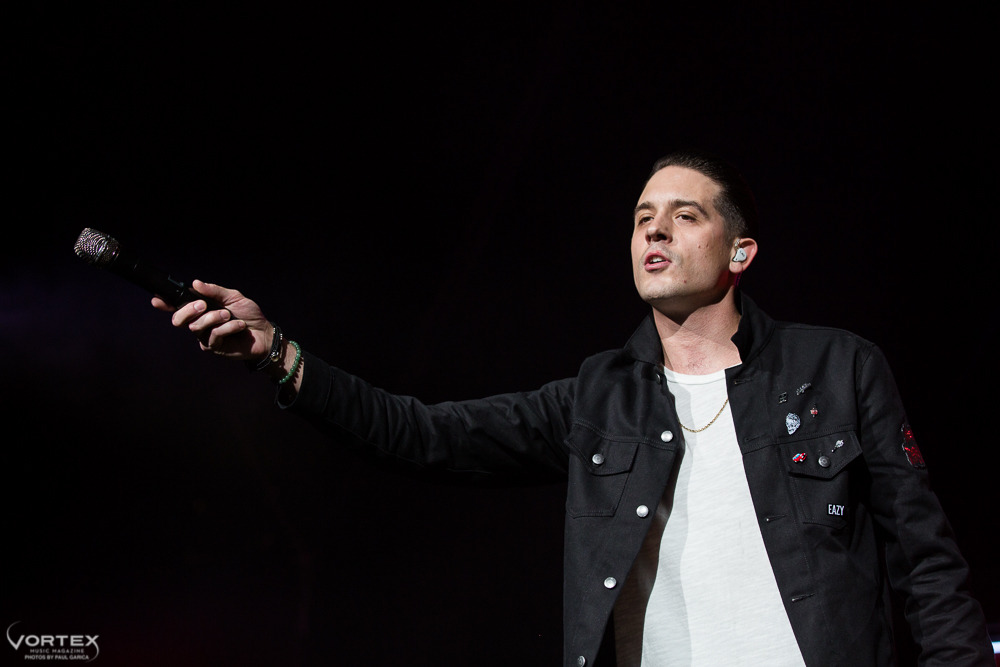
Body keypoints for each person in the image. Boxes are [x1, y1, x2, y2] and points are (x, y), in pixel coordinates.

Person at [154, 150, 993, 666]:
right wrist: (281, 354)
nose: (653, 231)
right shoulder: (600, 397)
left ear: (740, 251)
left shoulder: (838, 366)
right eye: (640, 219)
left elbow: (927, 561)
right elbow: (425, 434)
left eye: (683, 215)